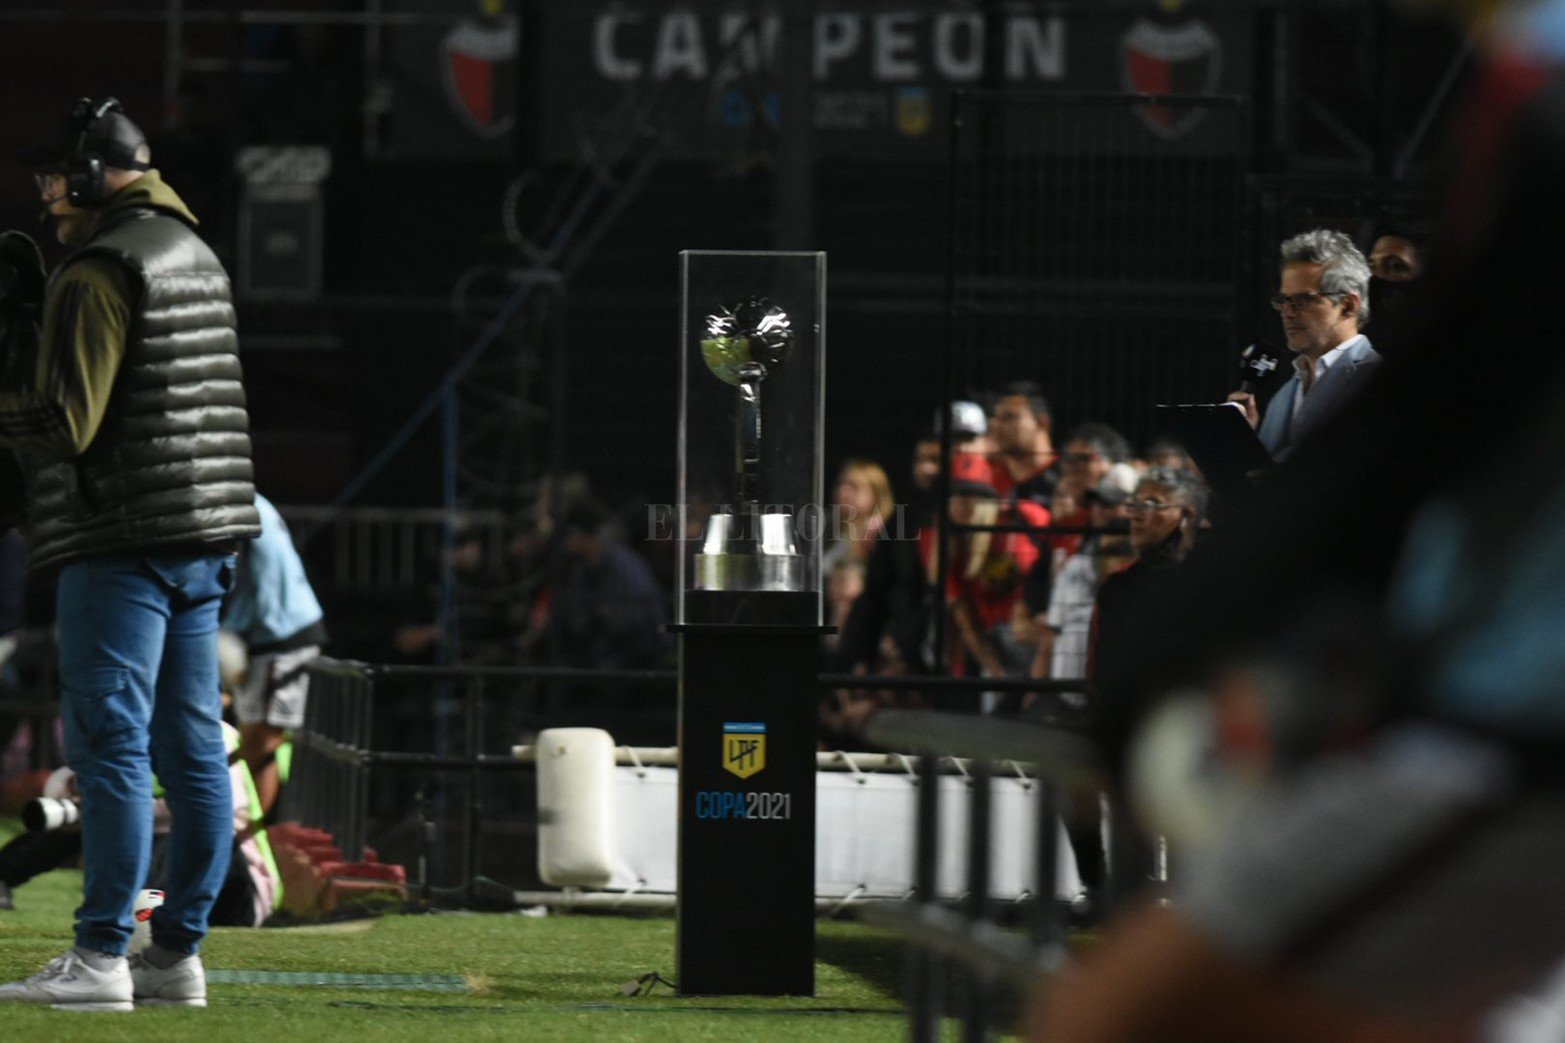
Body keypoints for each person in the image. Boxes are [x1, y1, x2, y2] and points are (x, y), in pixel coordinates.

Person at [0, 97, 260, 1011]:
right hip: (203, 533)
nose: (46, 193)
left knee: (109, 746)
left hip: (122, 537)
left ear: (92, 172)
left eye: (54, 175)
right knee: (192, 749)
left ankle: (101, 954)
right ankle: (175, 953)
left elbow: (68, 422)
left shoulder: (99, 267)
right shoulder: (196, 253)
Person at [1227, 230, 1381, 462]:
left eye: (1303, 300)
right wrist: (1246, 440)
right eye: (1284, 300)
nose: (1287, 313)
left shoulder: (1376, 379)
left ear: (1348, 306)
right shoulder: (1284, 395)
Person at [221, 492, 326, 823]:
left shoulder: (238, 506)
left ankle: (253, 833)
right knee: (253, 738)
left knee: (263, 743)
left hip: (282, 636)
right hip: (266, 636)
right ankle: (248, 830)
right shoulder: (249, 500)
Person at [987, 382, 1058, 507]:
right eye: (996, 418)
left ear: (1042, 423)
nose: (996, 426)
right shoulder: (987, 482)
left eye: (1009, 417)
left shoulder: (1065, 480)